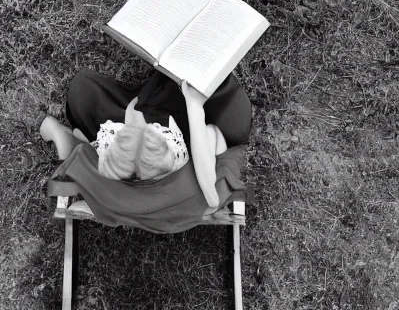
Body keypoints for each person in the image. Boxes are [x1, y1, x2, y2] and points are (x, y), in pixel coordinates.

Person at [41, 69, 251, 213]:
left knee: (83, 88)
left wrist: (133, 120)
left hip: (129, 127)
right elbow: (212, 198)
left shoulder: (116, 159)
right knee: (173, 86)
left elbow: (88, 139)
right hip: (171, 118)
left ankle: (72, 140)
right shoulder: (179, 160)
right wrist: (194, 106)